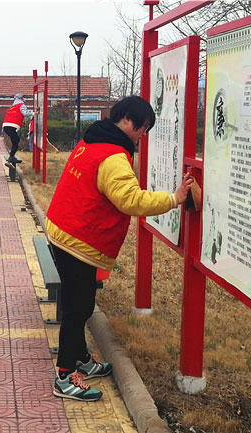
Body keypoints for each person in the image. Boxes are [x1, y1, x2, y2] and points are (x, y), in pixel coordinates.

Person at [45, 95, 194, 401]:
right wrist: (174, 199)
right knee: (77, 308)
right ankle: (65, 376)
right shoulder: (113, 155)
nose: (143, 135)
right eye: (143, 127)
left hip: (65, 230)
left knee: (83, 302)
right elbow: (131, 200)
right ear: (127, 120)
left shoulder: (93, 139)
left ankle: (82, 359)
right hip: (78, 240)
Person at [3, 93, 33, 169]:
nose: (24, 99)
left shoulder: (13, 106)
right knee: (16, 141)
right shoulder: (21, 105)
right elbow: (25, 113)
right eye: (23, 97)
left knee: (15, 141)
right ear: (21, 98)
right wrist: (34, 113)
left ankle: (11, 157)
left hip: (6, 126)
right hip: (12, 126)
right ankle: (10, 160)